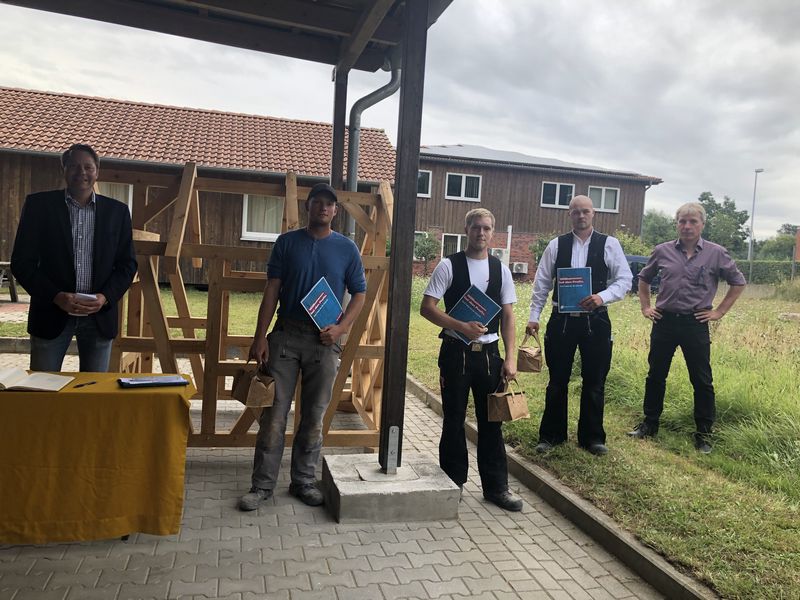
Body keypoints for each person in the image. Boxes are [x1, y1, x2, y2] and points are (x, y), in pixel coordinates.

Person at [238, 182, 366, 511]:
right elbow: (272, 289)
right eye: (317, 202)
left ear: (335, 211)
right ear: (308, 207)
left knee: (314, 416)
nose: (323, 207)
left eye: (329, 204)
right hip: (286, 336)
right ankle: (262, 485)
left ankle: (304, 481)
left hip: (324, 341)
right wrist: (260, 336)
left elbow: (360, 294)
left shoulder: (347, 249)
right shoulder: (286, 243)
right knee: (273, 415)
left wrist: (341, 329)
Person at [420, 208, 523, 512]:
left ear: (493, 232)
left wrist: (511, 358)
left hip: (490, 356)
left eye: (487, 228)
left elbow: (508, 316)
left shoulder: (501, 270)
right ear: (466, 230)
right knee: (453, 420)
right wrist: (460, 326)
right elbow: (427, 308)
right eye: (476, 227)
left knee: (492, 422)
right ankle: (452, 483)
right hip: (456, 353)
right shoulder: (448, 266)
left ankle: (496, 487)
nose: (481, 233)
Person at [628, 202, 745, 453]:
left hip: (695, 323)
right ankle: (650, 424)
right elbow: (643, 278)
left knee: (702, 379)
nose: (687, 226)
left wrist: (719, 312)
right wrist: (646, 307)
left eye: (693, 221)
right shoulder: (662, 251)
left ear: (702, 224)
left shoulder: (716, 253)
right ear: (677, 223)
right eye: (682, 221)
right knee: (656, 374)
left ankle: (703, 434)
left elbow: (738, 282)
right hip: (664, 321)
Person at [10, 143, 137, 372]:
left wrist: (105, 297)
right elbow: (22, 263)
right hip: (50, 313)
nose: (82, 173)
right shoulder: (39, 206)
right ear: (64, 170)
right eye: (74, 166)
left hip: (99, 316)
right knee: (42, 387)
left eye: (88, 167)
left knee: (92, 390)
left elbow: (127, 265)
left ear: (97, 171)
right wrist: (56, 296)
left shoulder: (117, 212)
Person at [526, 195, 632, 456]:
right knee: (557, 380)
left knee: (595, 380)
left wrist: (602, 297)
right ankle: (551, 436)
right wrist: (534, 316)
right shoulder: (556, 245)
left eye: (585, 211)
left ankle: (592, 438)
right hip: (561, 321)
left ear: (593, 213)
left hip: (596, 320)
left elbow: (625, 280)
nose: (581, 216)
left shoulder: (609, 244)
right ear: (569, 214)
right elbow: (542, 283)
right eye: (576, 212)